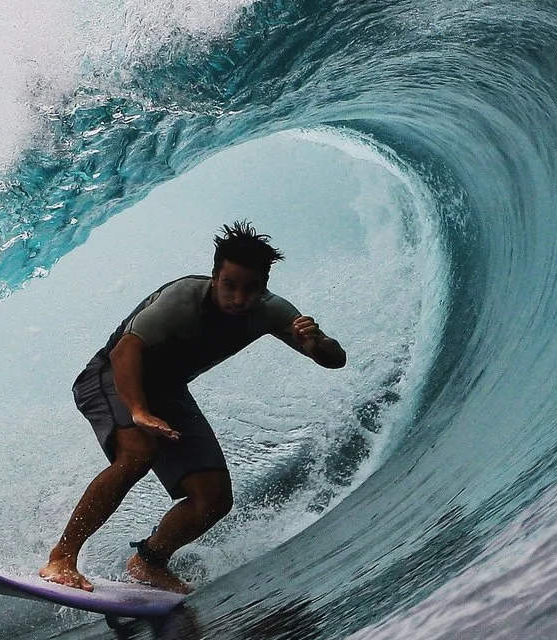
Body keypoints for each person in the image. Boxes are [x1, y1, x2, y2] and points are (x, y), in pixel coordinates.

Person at [39, 222, 347, 593]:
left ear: (264, 284)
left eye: (250, 289)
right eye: (229, 285)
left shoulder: (272, 311)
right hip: (111, 375)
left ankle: (148, 562)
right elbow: (126, 350)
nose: (238, 297)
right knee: (138, 452)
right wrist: (138, 411)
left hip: (167, 391)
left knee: (213, 498)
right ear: (215, 276)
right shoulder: (184, 299)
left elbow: (335, 359)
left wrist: (314, 344)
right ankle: (62, 558)